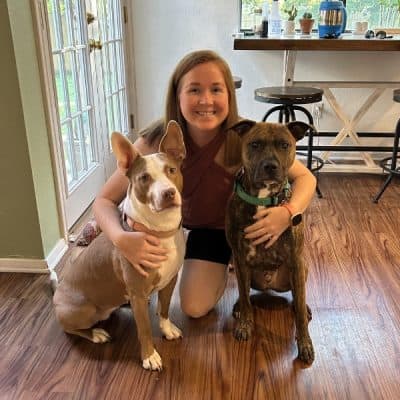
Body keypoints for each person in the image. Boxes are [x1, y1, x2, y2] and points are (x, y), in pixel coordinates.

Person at [93, 49, 316, 318]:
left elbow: (306, 177)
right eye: (194, 90)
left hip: (234, 230)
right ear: (178, 95)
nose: (206, 100)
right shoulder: (154, 140)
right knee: (194, 309)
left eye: (216, 90)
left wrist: (287, 213)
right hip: (186, 230)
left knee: (274, 284)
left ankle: (232, 262)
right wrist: (121, 239)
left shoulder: (247, 137)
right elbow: (104, 200)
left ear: (229, 96)